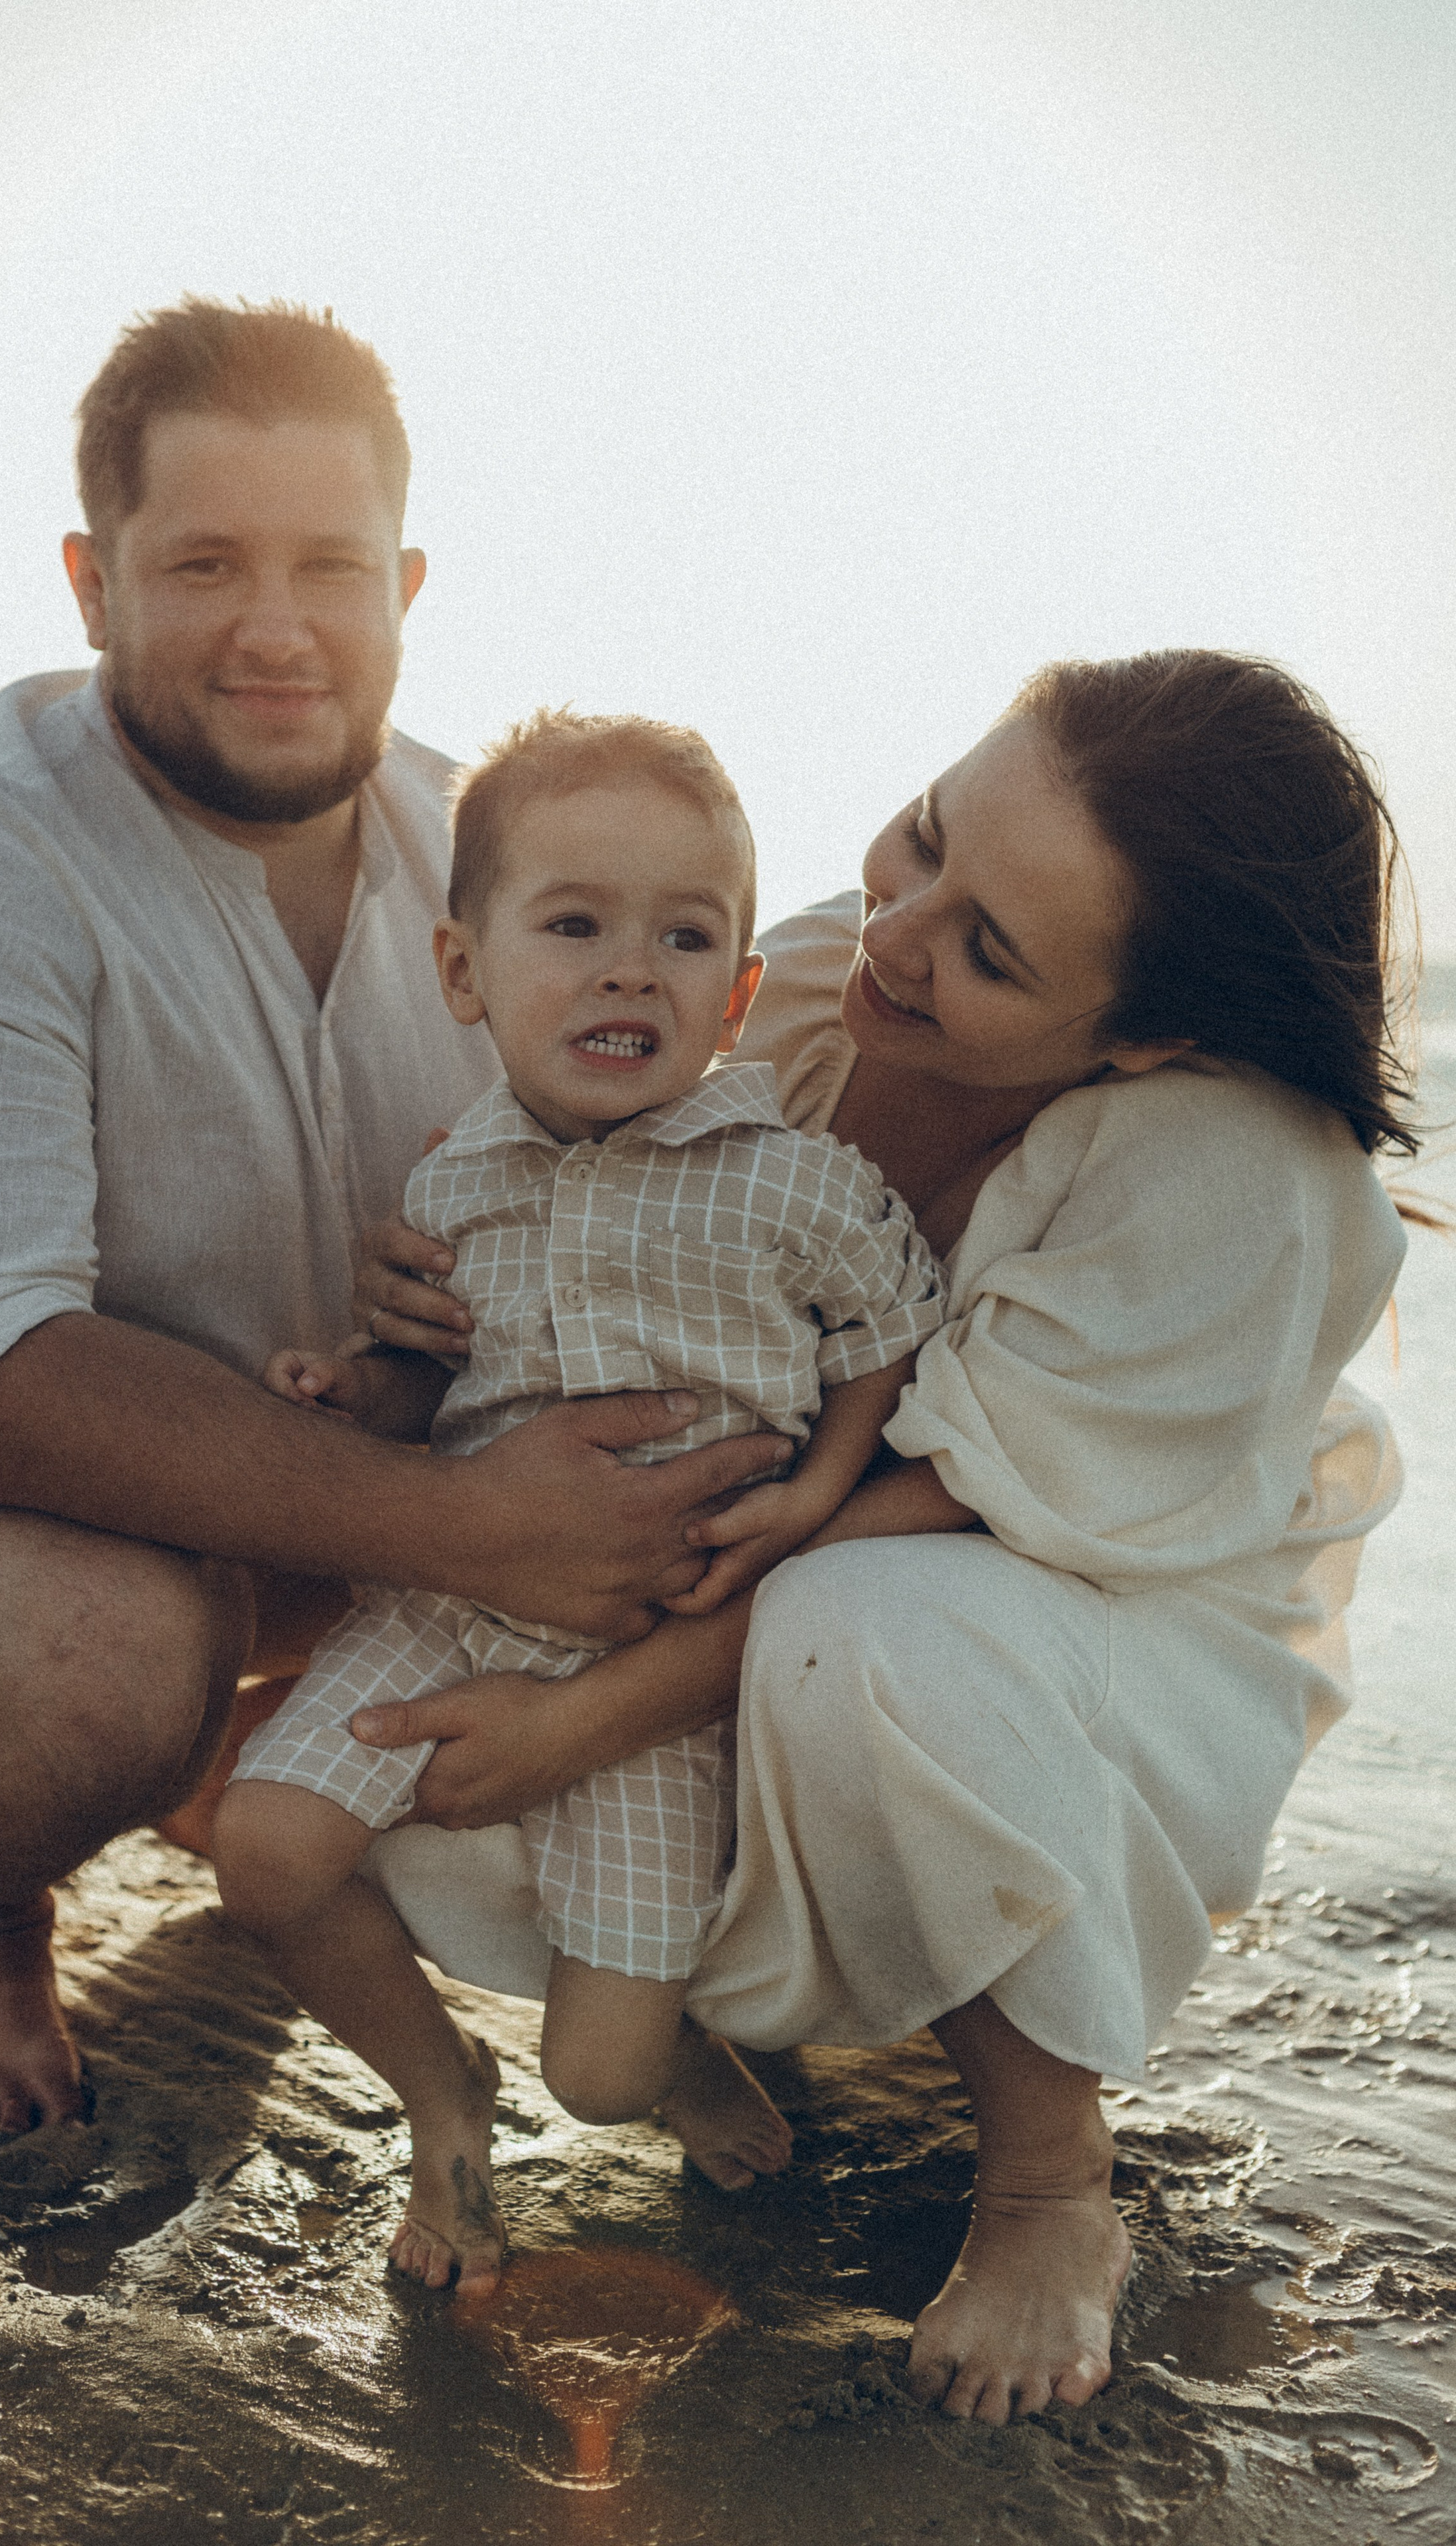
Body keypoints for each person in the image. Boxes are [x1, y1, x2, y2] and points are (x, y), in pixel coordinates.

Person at [0, 300, 788, 2138]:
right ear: (92, 584)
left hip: (327, 1439)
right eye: (205, 565)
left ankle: (230, 1744)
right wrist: (476, 1529)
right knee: (93, 1661)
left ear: (405, 584)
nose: (277, 629)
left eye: (328, 566)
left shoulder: (498, 854)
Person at [348, 650, 1412, 2423]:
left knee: (862, 1631)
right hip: (786, 1548)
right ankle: (711, 2019)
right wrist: (441, 1287)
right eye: (925, 833)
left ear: (1146, 1034)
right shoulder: (819, 979)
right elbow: (587, 1189)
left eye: (989, 946)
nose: (898, 930)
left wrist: (583, 1719)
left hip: (1093, 1629)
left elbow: (944, 1502)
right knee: (419, 1685)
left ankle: (1050, 2179)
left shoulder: (1238, 1175)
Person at [213, 708, 947, 2294]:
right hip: (449, 1605)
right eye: (572, 927)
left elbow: (890, 1335)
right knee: (262, 1847)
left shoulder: (788, 1181)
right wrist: (354, 1393)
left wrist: (820, 1485)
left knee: (601, 2081)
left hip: (651, 1663)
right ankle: (440, 2095)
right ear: (462, 973)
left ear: (736, 994)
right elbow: (432, 1383)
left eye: (683, 937)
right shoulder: (453, 1178)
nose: (630, 973)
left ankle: (664, 2059)